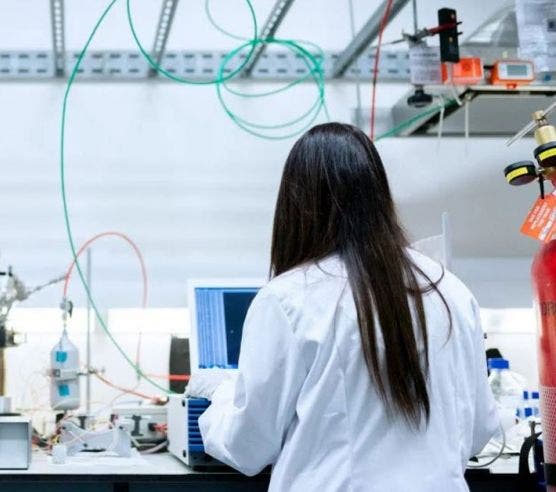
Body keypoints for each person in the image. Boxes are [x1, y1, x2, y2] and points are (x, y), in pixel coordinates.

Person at [188, 123, 499, 492]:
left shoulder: (289, 299)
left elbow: (247, 447)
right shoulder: (449, 290)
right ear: (379, 195)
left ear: (296, 205)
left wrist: (222, 393)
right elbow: (480, 430)